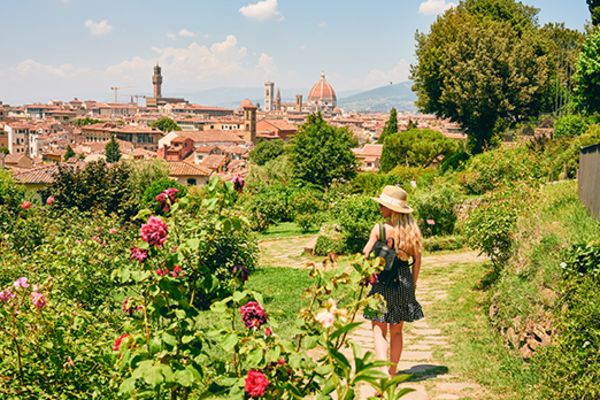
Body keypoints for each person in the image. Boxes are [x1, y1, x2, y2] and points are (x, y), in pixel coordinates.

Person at [363, 185, 424, 377]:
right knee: (397, 331)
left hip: (382, 282)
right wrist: (412, 285)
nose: (380, 209)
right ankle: (393, 370)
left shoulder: (380, 229)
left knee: (378, 329)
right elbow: (418, 261)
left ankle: (382, 372)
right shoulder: (411, 232)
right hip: (403, 282)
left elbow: (366, 254)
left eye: (382, 205)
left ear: (392, 209)